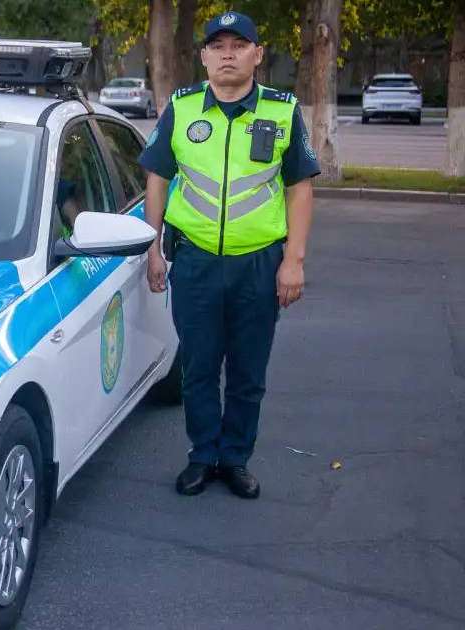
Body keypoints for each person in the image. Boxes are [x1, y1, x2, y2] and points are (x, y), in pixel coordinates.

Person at [139, 11, 318, 499]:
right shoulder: (182, 108)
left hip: (258, 264)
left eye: (239, 46)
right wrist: (153, 249)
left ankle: (235, 458)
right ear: (204, 57)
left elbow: (299, 188)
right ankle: (203, 455)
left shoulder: (282, 111)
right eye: (217, 46)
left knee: (247, 372)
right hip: (195, 262)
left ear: (257, 55)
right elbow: (157, 178)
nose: (228, 55)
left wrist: (294, 260)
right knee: (197, 368)